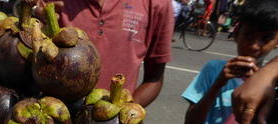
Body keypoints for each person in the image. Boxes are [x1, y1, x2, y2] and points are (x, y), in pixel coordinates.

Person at [36, 0, 174, 107]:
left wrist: (121, 114)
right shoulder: (52, 3)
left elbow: (154, 79)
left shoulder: (157, 4)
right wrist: (36, 20)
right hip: (53, 122)